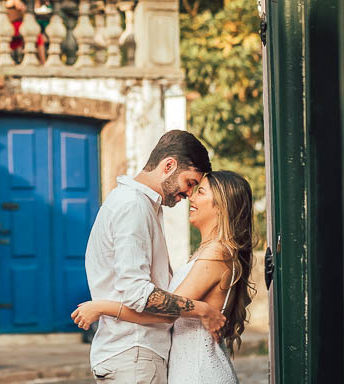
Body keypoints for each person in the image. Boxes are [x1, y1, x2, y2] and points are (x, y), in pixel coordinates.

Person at [73, 170, 256, 384]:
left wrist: (103, 307)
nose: (192, 198)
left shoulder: (216, 254)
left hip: (199, 374)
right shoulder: (208, 253)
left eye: (201, 192)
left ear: (222, 206)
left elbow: (165, 313)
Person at [77, 130, 223, 383]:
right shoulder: (133, 206)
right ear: (169, 166)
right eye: (189, 183)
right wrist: (202, 309)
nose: (189, 194)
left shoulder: (137, 204)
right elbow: (137, 293)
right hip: (135, 354)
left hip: (131, 354)